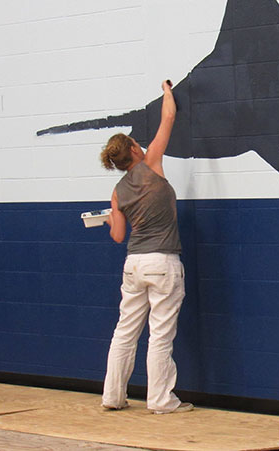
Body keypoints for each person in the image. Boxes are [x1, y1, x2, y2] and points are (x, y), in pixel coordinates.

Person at [99, 80, 193, 414]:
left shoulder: (118, 191)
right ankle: (160, 400)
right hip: (163, 262)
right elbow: (168, 119)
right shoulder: (152, 163)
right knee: (160, 335)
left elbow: (118, 236)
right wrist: (168, 92)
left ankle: (112, 397)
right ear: (135, 152)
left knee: (124, 331)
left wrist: (111, 219)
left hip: (133, 264)